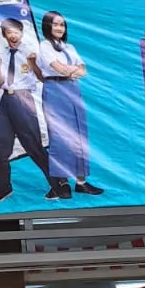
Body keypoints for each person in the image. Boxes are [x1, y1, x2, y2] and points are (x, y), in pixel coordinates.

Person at [37, 11, 103, 200]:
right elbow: (61, 69)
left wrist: (72, 70)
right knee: (60, 136)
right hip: (55, 90)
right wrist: (72, 70)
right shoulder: (44, 46)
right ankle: (62, 182)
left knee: (79, 135)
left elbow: (84, 71)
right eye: (55, 24)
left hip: (73, 90)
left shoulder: (70, 47)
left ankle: (81, 182)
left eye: (62, 25)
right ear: (47, 26)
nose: (60, 28)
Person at [0, 17, 53, 203]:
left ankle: (58, 183)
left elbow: (42, 78)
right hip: (6, 99)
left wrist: (33, 63)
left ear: (22, 34)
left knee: (34, 146)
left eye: (17, 32)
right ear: (4, 35)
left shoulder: (31, 52)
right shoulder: (1, 54)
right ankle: (3, 188)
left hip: (23, 98)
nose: (13, 35)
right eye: (9, 32)